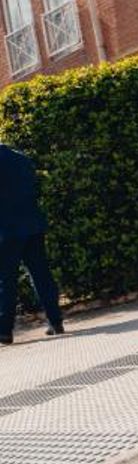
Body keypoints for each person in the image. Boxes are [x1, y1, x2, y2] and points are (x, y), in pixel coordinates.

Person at [0, 144, 65, 346]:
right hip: (33, 224)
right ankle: (56, 321)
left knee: (5, 281)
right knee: (41, 273)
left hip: (6, 229)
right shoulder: (21, 158)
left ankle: (4, 331)